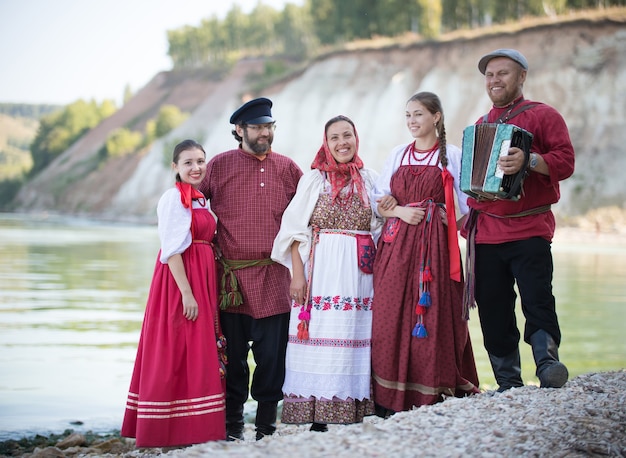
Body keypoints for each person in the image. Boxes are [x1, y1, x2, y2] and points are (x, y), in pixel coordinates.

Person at [461, 49, 575, 391]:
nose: (495, 80)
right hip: (486, 235)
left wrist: (530, 160)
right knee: (493, 309)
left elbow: (565, 161)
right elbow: (471, 183)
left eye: (503, 73)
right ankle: (508, 381)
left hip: (529, 229)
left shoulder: (543, 115)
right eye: (490, 75)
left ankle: (547, 364)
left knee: (537, 299)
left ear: (522, 76)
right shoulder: (480, 125)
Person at [198, 97, 303, 441]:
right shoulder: (218, 165)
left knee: (272, 358)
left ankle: (266, 429)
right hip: (230, 280)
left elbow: (306, 218)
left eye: (268, 126)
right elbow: (191, 205)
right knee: (234, 358)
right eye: (257, 127)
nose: (264, 133)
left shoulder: (288, 168)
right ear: (239, 130)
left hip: (274, 277)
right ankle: (231, 429)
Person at [271, 115, 383, 432]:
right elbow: (294, 231)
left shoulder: (371, 179)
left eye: (347, 135)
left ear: (356, 138)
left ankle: (351, 408)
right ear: (326, 142)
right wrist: (297, 275)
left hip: (360, 273)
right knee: (318, 335)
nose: (342, 142)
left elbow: (381, 225)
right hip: (320, 270)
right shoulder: (313, 180)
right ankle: (318, 414)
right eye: (334, 137)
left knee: (351, 332)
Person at [370, 91, 480, 415]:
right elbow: (380, 199)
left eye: (418, 114)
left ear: (436, 117)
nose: (412, 121)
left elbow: (467, 202)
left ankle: (431, 393)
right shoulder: (397, 155)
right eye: (407, 115)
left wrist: (445, 219)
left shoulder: (453, 156)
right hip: (396, 247)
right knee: (388, 314)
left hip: (435, 249)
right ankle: (387, 398)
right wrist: (397, 210)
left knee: (432, 314)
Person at [121, 139, 227, 447]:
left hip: (201, 278)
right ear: (175, 167)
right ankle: (167, 429)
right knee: (177, 347)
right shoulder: (173, 198)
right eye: (188, 163)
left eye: (200, 161)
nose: (196, 168)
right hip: (180, 281)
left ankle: (195, 428)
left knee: (196, 348)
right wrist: (187, 293)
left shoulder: (199, 199)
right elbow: (172, 251)